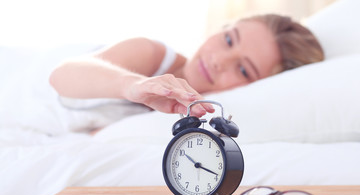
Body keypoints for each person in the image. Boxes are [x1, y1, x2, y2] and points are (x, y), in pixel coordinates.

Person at [49, 14, 324, 132]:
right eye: (228, 39)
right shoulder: (151, 55)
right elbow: (61, 76)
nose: (218, 60)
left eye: (242, 69)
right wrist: (134, 85)